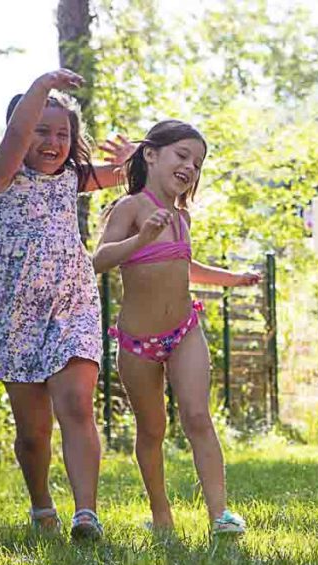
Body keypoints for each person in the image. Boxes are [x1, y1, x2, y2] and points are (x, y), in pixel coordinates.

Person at [0, 68, 135, 540]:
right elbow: (17, 134)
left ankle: (86, 513)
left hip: (73, 305)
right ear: (21, 132)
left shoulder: (70, 178)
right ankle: (41, 505)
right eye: (42, 131)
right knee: (33, 433)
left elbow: (132, 174)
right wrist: (43, 86)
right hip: (15, 315)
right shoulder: (1, 177)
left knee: (76, 405)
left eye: (63, 134)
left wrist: (137, 158)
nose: (53, 142)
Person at [94, 120, 260, 535]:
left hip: (184, 330)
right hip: (137, 342)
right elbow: (98, 260)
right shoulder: (130, 207)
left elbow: (185, 266)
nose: (190, 167)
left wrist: (232, 277)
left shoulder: (182, 216)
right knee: (152, 429)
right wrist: (139, 239)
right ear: (151, 154)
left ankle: (220, 514)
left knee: (197, 416)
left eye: (198, 163)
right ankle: (161, 516)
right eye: (182, 155)